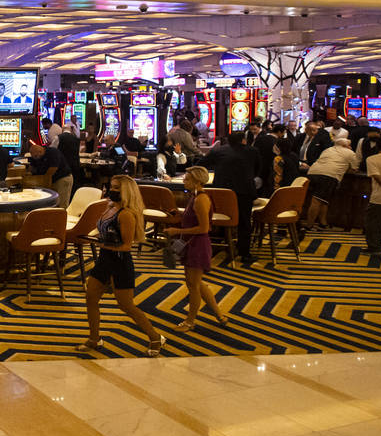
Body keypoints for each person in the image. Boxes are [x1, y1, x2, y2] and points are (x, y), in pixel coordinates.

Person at [76, 175, 166, 357]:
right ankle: (94, 338)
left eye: (117, 188)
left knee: (126, 305)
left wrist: (100, 244)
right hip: (104, 260)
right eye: (112, 186)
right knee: (91, 298)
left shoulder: (126, 214)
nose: (112, 190)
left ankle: (155, 337)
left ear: (126, 191)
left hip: (120, 262)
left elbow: (126, 245)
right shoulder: (109, 207)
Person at [165, 166, 226, 331]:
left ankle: (190, 321)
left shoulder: (201, 199)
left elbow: (204, 228)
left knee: (193, 285)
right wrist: (178, 216)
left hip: (198, 245)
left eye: (187, 179)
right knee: (197, 283)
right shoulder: (193, 197)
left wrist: (177, 230)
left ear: (197, 181)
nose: (184, 181)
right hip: (192, 243)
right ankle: (219, 314)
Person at [202, 131, 260, 265]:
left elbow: (202, 163)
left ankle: (221, 243)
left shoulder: (218, 151)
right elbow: (258, 170)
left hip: (221, 192)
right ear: (243, 140)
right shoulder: (253, 151)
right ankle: (244, 253)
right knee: (245, 222)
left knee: (223, 217)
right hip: (245, 192)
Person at [303, 138, 359, 229]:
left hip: (312, 173)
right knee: (316, 201)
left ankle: (323, 222)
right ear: (345, 146)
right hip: (328, 176)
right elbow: (354, 169)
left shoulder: (328, 150)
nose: (350, 147)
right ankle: (309, 225)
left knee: (323, 201)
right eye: (349, 145)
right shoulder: (350, 153)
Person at [28, 142, 73, 208]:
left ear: (40, 151)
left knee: (61, 204)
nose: (35, 158)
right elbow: (32, 168)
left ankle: (62, 217)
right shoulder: (36, 156)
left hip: (62, 179)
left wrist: (44, 182)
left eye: (35, 156)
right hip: (51, 180)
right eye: (33, 156)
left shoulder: (53, 152)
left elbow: (52, 169)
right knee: (53, 204)